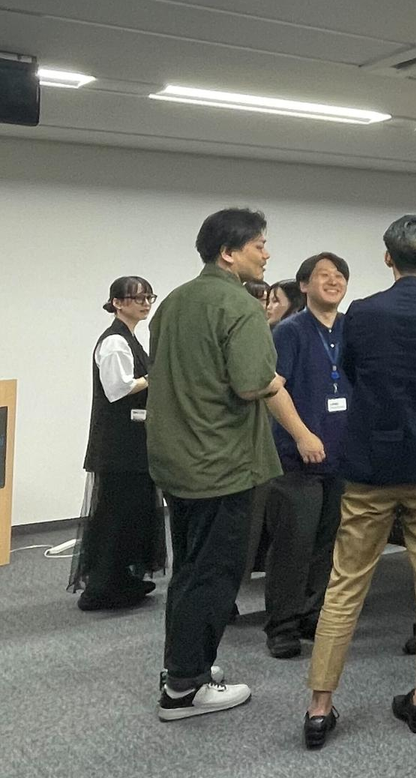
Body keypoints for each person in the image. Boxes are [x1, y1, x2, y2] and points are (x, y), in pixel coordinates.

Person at [303, 215, 416, 746]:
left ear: (387, 258)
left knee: (345, 584)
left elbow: (354, 373)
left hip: (371, 466)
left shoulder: (361, 312)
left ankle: (319, 706)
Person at [148, 208, 325, 721]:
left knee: (189, 570)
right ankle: (184, 689)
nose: (267, 254)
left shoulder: (174, 301)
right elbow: (252, 384)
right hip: (220, 463)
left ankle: (185, 666)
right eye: (259, 245)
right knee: (214, 575)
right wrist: (278, 384)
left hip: (178, 459)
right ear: (229, 253)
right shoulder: (240, 306)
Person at [261, 252, 352, 659]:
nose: (333, 281)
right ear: (303, 285)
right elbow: (271, 387)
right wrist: (301, 435)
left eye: (339, 276)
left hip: (339, 456)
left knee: (327, 542)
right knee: (292, 545)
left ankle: (312, 614)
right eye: (323, 275)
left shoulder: (350, 328)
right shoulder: (290, 331)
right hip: (296, 458)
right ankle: (282, 625)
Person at [69, 276, 166, 610]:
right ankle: (101, 587)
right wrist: (153, 377)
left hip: (132, 443)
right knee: (115, 516)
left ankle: (121, 579)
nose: (145, 303)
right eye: (137, 298)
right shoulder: (114, 342)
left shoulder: (131, 338)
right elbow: (117, 389)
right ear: (117, 302)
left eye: (149, 297)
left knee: (131, 514)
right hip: (117, 446)